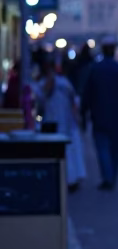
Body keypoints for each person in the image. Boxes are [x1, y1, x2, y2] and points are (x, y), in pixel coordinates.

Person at [81, 42, 118, 189]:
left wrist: (83, 111)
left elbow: (87, 93)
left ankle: (107, 176)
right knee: (116, 149)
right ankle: (112, 176)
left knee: (102, 147)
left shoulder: (95, 69)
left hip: (98, 115)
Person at [37, 60, 86, 191]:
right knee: (70, 151)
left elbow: (40, 99)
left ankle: (69, 180)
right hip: (66, 124)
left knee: (66, 152)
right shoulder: (65, 83)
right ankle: (71, 179)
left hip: (58, 124)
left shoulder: (52, 83)